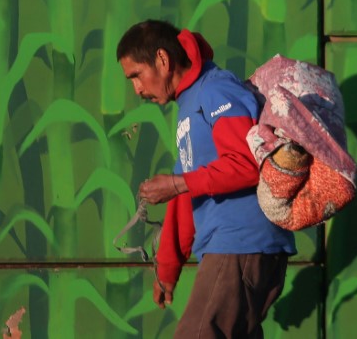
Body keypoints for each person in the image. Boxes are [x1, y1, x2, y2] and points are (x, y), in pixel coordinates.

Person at [117, 19, 296, 338]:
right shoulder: (189, 104)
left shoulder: (215, 89)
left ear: (162, 60)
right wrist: (168, 269)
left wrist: (176, 184)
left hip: (242, 245)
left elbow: (244, 164)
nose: (137, 89)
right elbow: (188, 192)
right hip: (231, 248)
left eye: (136, 76)